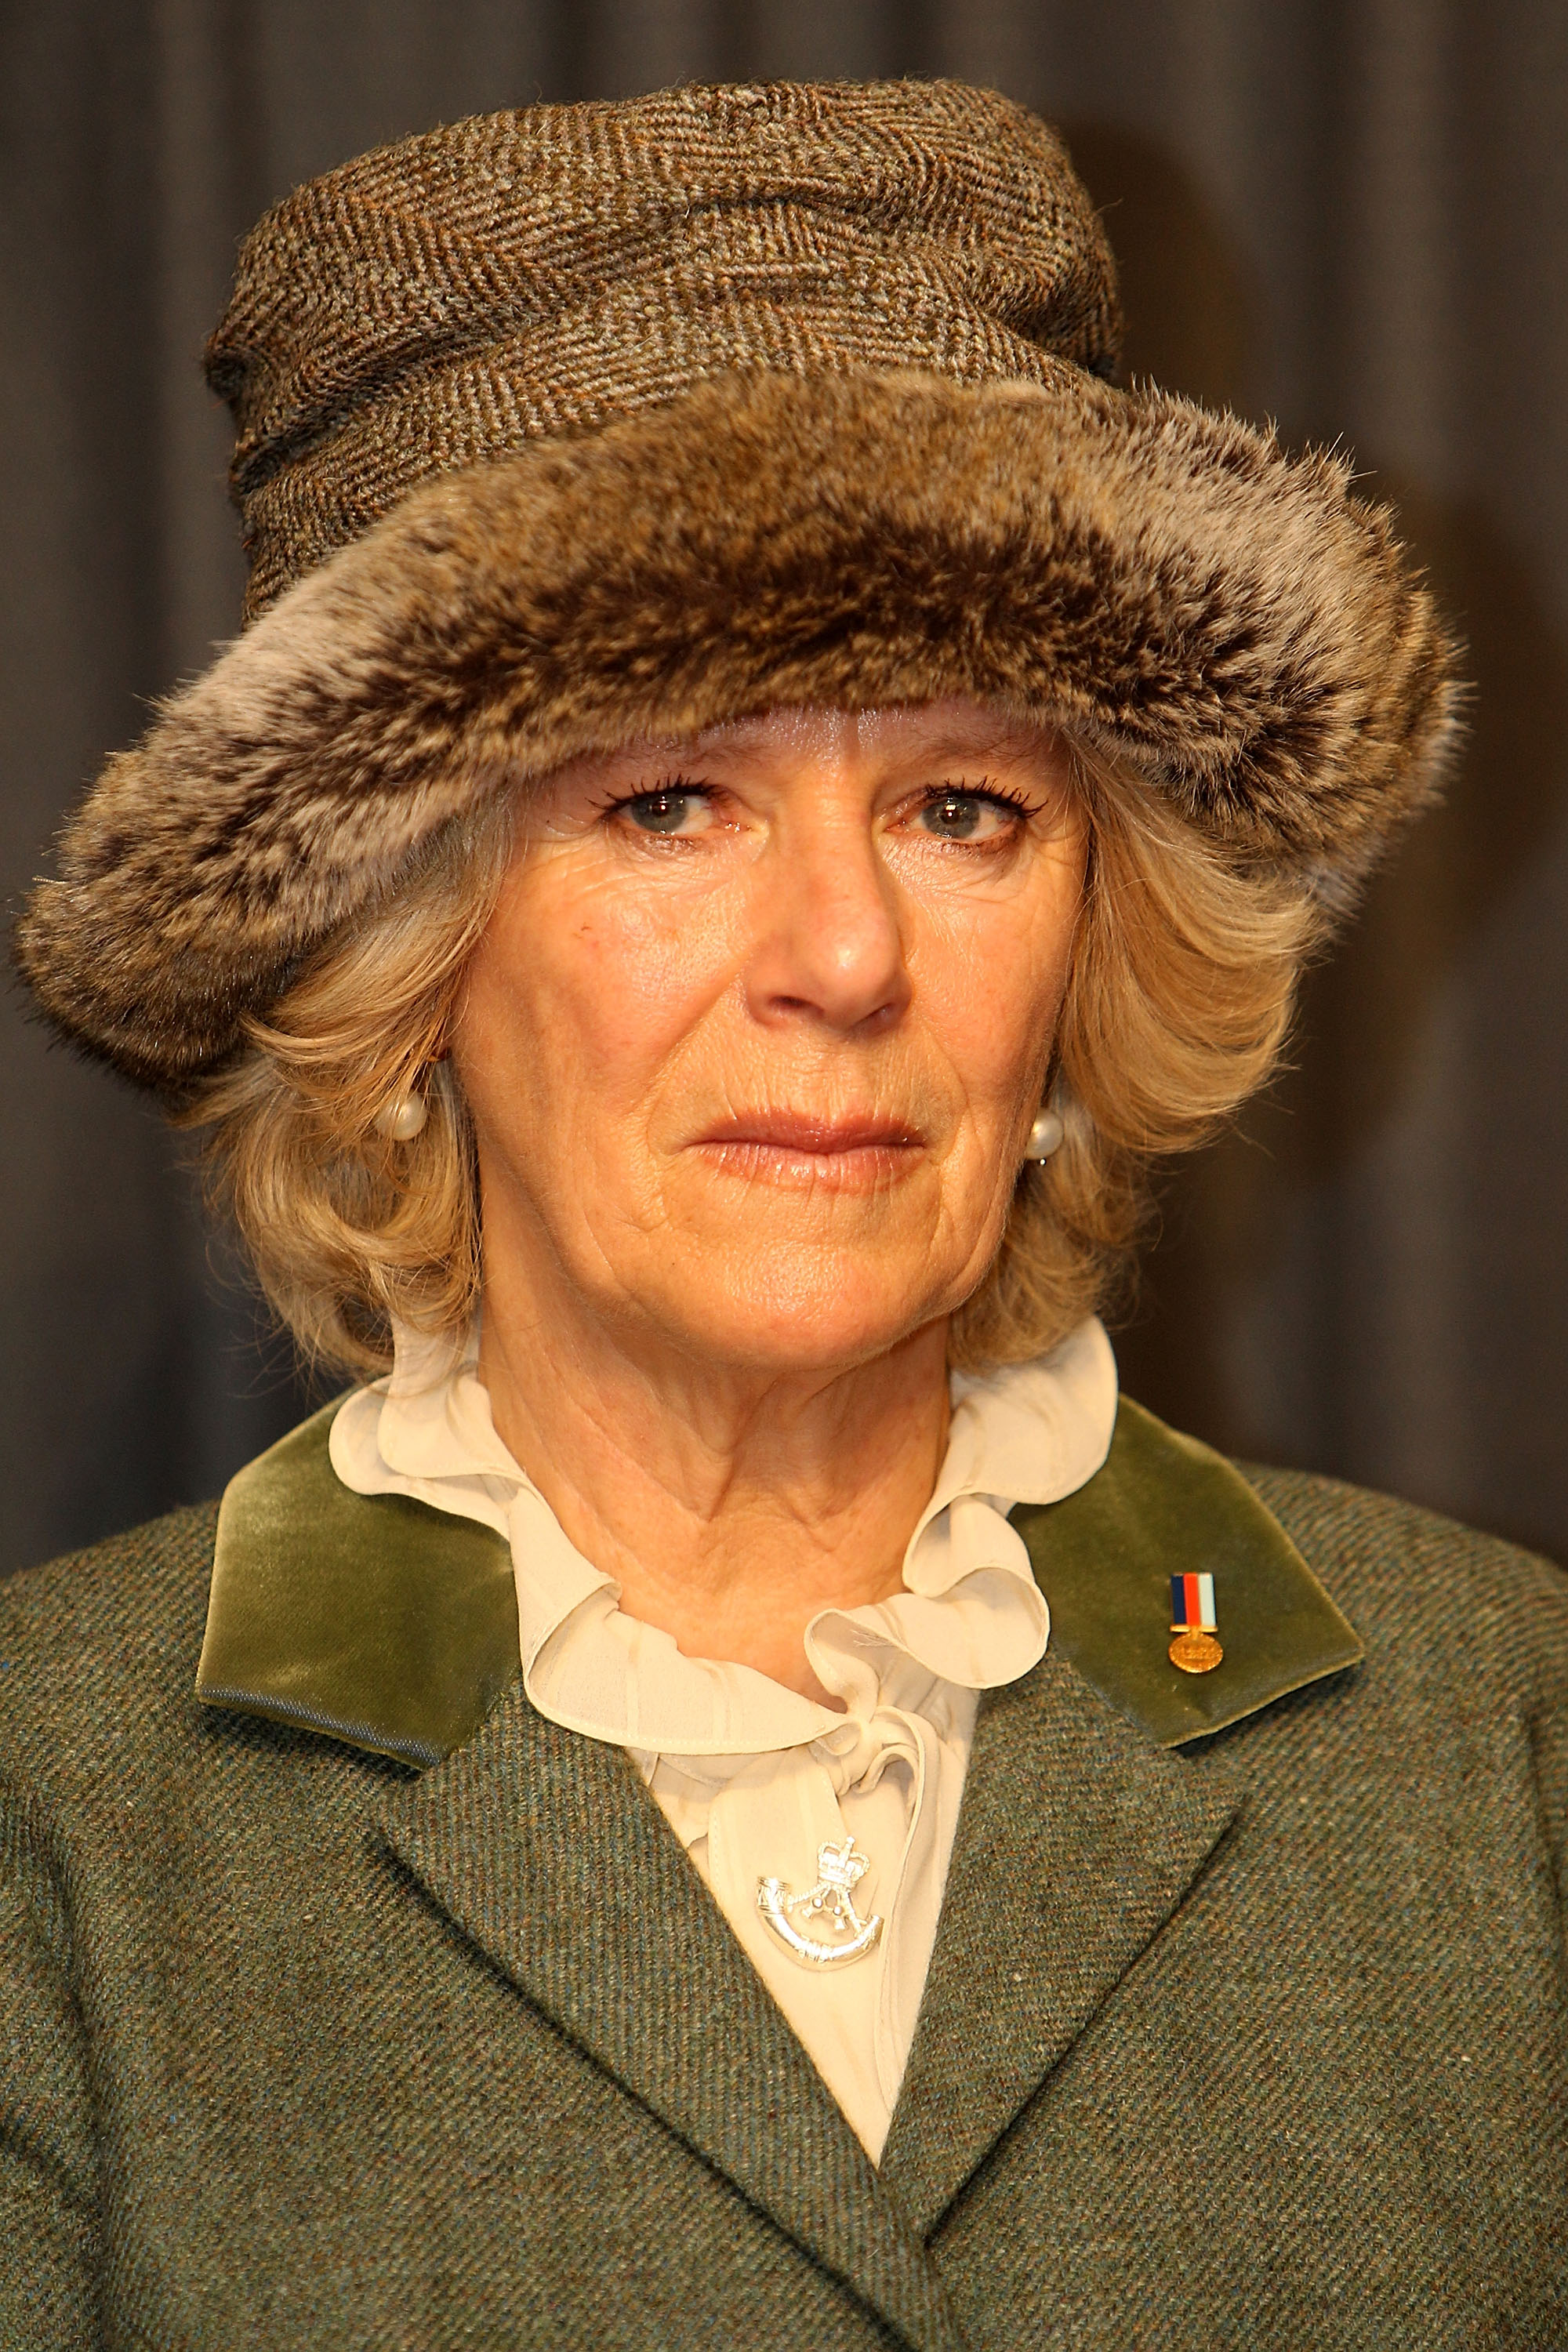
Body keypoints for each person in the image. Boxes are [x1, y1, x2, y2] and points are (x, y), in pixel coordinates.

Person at [5, 78, 1564, 2351]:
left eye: (960, 805)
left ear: (1095, 931)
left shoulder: (1501, 1743)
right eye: (666, 804)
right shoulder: (51, 1826)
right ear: (399, 952)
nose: (844, 954)